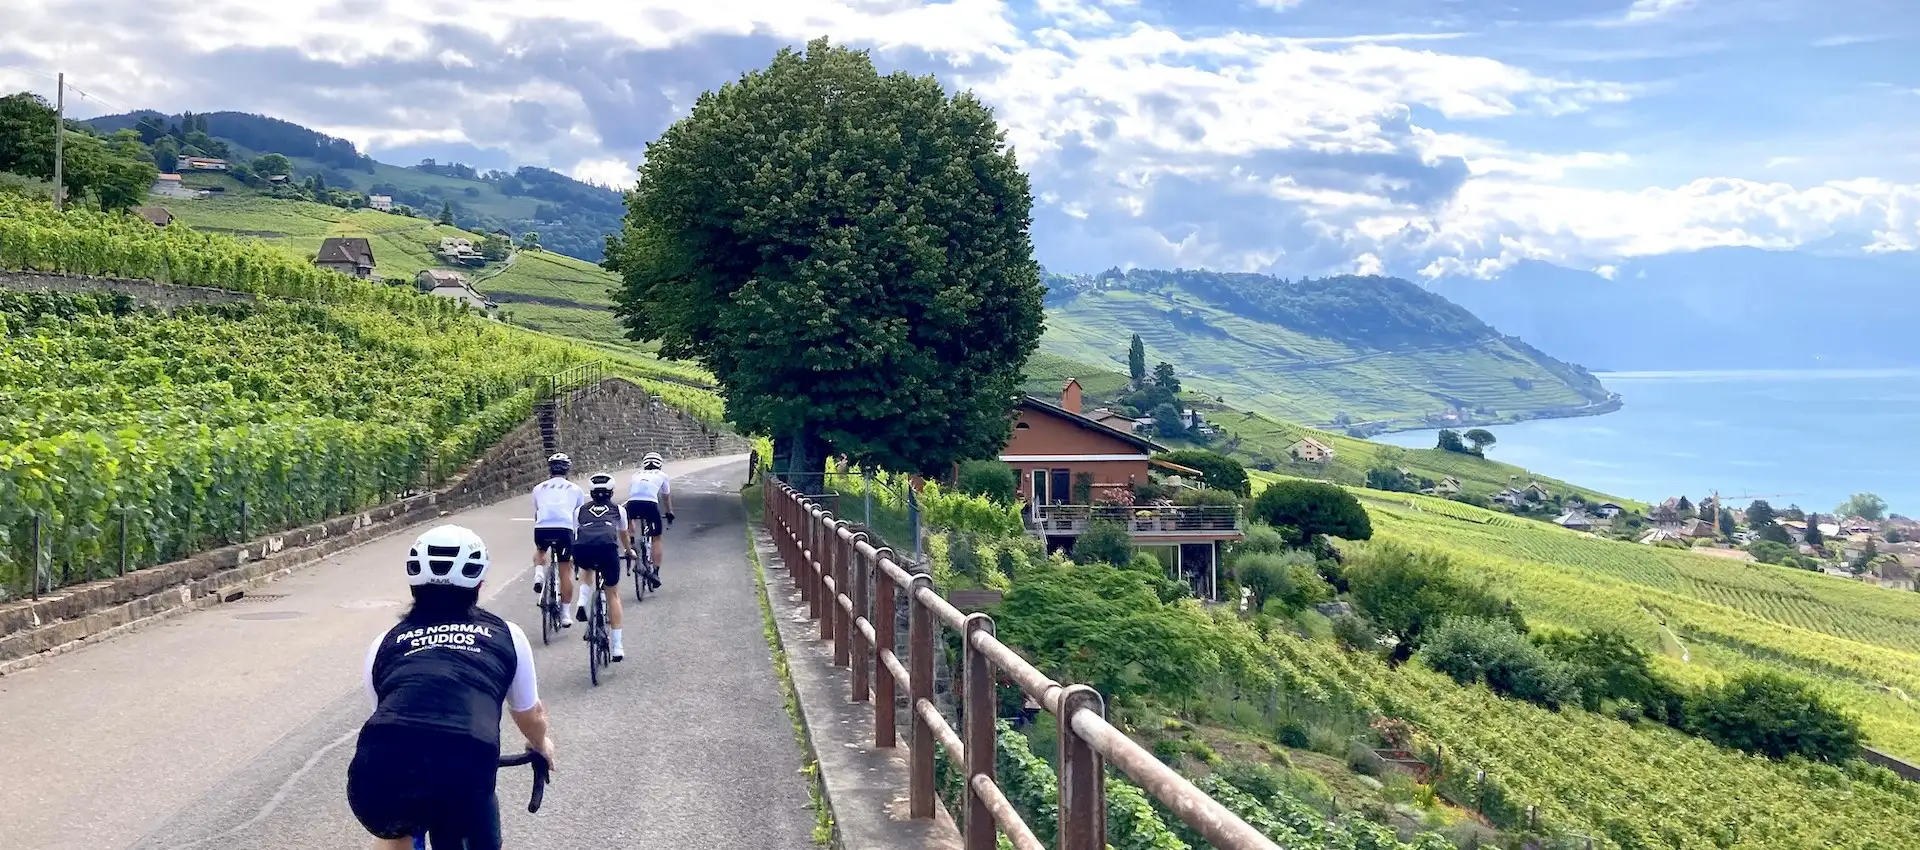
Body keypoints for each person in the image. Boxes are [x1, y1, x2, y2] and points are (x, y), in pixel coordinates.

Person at [348, 525, 555, 850]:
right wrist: (541, 744)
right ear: (479, 583)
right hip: (467, 762)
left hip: (380, 771)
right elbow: (530, 714)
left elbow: (388, 711)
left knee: (397, 827)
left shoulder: (384, 643)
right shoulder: (507, 636)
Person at [573, 472, 636, 660]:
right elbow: (623, 535)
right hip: (607, 549)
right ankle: (617, 646)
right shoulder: (619, 510)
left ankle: (582, 601)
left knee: (587, 569)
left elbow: (576, 532)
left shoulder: (580, 510)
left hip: (583, 549)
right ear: (611, 492)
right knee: (613, 594)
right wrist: (628, 551)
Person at [530, 452, 586, 628]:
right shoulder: (575, 489)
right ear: (567, 469)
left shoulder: (538, 488)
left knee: (540, 551)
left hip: (543, 527)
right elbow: (579, 516)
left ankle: (539, 573)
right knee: (565, 571)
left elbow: (538, 510)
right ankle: (565, 614)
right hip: (564, 529)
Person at [625, 452, 675, 589]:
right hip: (650, 505)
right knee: (656, 538)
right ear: (660, 465)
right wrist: (669, 512)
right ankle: (656, 573)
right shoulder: (662, 476)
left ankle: (632, 545)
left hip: (632, 503)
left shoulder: (636, 474)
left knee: (630, 522)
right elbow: (666, 497)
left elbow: (632, 492)